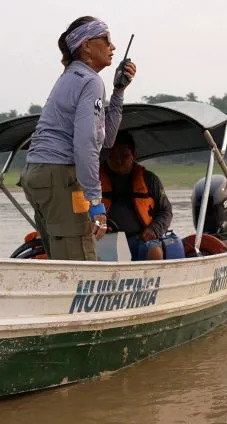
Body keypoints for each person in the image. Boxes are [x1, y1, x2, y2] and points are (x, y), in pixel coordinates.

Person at [19, 16, 137, 261]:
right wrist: (95, 202)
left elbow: (106, 140)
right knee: (80, 265)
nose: (112, 46)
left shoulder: (71, 76)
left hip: (37, 175)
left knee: (62, 260)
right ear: (86, 46)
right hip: (59, 175)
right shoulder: (91, 81)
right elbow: (86, 144)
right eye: (106, 39)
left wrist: (118, 92)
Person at [100, 130, 173, 261]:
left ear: (134, 155)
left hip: (140, 239)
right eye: (113, 156)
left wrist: (154, 229)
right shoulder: (93, 181)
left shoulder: (150, 180)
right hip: (105, 240)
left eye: (124, 156)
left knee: (155, 252)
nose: (119, 161)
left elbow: (166, 211)